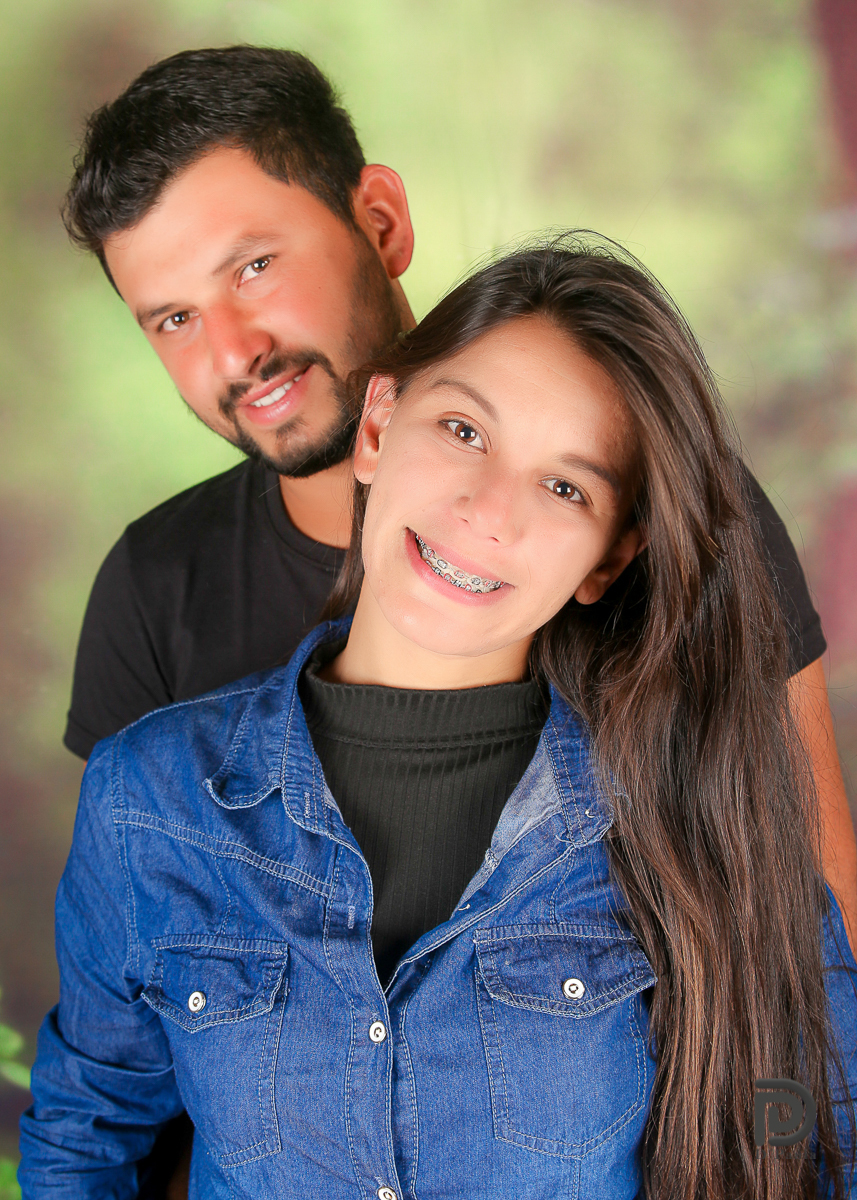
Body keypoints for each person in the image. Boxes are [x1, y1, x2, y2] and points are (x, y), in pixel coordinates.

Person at [19, 239, 857, 1198]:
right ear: (378, 422)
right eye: (463, 431)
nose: (486, 512)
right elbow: (86, 1137)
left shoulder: (689, 802)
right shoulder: (149, 800)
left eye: (564, 486)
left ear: (605, 560)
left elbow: (811, 1116)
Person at [59, 46, 857, 956]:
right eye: (174, 318)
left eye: (253, 268)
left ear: (381, 221)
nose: (235, 351)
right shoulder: (155, 585)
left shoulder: (671, 515)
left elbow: (819, 925)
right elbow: (131, 980)